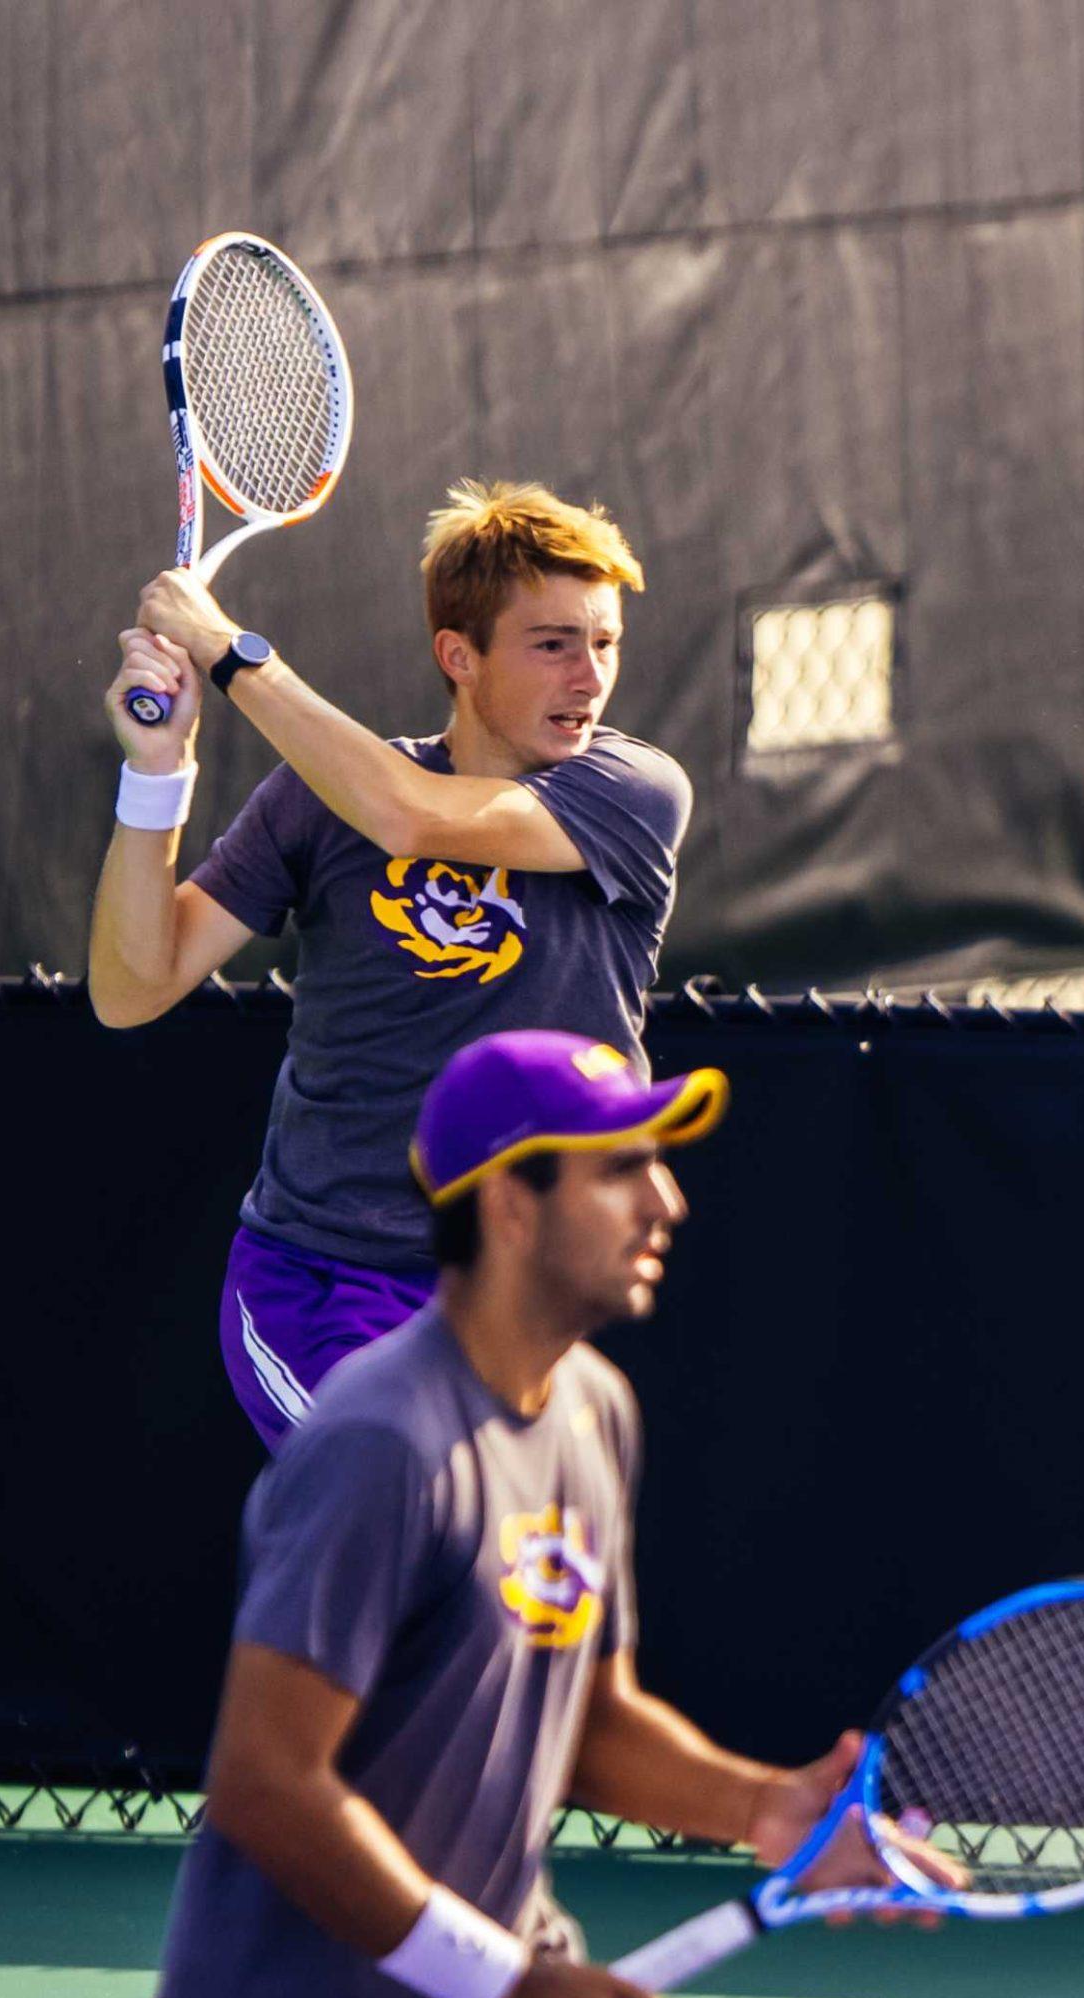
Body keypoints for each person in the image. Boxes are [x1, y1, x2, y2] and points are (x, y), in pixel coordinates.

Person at [0, 1030, 962, 1998]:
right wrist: (494, 1977)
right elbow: (263, 1780)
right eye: (624, 1166)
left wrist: (769, 1807)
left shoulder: (591, 1413)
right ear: (511, 1202)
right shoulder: (377, 1447)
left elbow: (594, 1721)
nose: (666, 1203)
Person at [90, 479, 692, 1451]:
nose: (589, 678)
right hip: (325, 1290)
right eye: (553, 644)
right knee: (408, 1509)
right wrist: (156, 773)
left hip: (518, 1290)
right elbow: (130, 987)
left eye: (605, 643)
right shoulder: (318, 800)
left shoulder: (634, 793)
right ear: (459, 655)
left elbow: (411, 816)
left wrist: (229, 651)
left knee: (502, 1583)